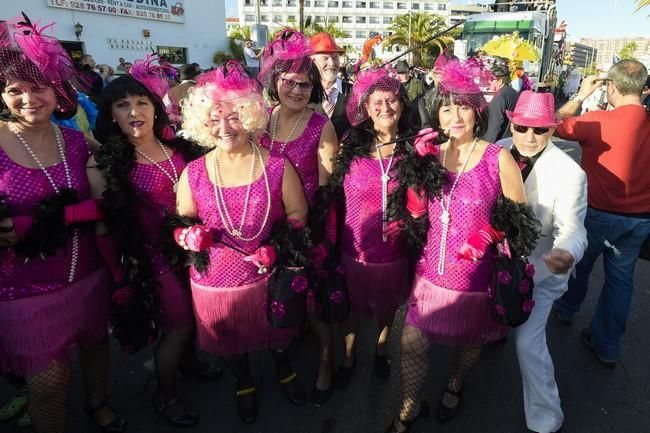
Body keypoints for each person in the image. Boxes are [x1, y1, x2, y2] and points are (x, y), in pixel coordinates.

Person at [385, 57, 536, 433]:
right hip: (431, 274)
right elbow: (417, 216)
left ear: (476, 113)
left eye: (462, 108)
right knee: (411, 344)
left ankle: (455, 383)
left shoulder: (497, 158)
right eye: (446, 109)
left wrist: (488, 234)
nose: (455, 116)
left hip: (476, 278)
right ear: (437, 116)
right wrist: (418, 171)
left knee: (469, 341)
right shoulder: (430, 154)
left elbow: (520, 222)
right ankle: (409, 406)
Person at [0, 16, 125, 433]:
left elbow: (112, 198)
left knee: (95, 349)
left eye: (38, 87)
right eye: (15, 90)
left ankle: (98, 405)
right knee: (50, 384)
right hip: (25, 289)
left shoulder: (76, 142)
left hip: (89, 275)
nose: (28, 98)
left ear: (57, 90)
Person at [174, 60, 309, 423]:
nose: (224, 127)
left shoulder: (277, 166)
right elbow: (182, 221)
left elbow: (297, 215)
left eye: (233, 117)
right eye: (214, 119)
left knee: (278, 336)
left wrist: (277, 248)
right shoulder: (194, 171)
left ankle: (285, 371)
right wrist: (187, 235)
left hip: (267, 276)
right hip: (215, 283)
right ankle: (244, 383)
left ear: (249, 116)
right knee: (231, 343)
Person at [89, 55, 213, 426]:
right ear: (111, 114)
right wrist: (119, 278)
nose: (134, 111)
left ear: (155, 108)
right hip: (152, 260)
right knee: (178, 327)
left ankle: (189, 364)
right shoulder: (108, 163)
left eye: (141, 102)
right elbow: (103, 226)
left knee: (196, 320)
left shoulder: (180, 149)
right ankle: (165, 394)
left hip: (192, 252)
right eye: (123, 104)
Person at [323, 66, 422, 396]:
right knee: (351, 309)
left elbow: (423, 204)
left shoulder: (412, 149)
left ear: (402, 106)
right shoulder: (350, 144)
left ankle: (381, 348)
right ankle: (349, 357)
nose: (385, 108)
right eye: (377, 103)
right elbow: (332, 195)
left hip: (394, 251)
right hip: (355, 248)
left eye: (392, 101)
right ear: (365, 109)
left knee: (387, 307)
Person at [497, 90, 588, 433]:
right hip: (495, 266)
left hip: (539, 274)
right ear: (512, 123)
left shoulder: (570, 174)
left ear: (553, 130)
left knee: (526, 344)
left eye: (540, 130)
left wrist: (566, 252)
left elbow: (574, 229)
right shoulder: (498, 150)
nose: (529, 137)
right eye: (522, 128)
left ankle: (546, 419)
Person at [258, 29, 338, 406]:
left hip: (307, 227)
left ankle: (325, 361)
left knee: (316, 299)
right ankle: (287, 341)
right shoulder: (260, 120)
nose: (297, 90)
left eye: (305, 85)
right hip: (265, 225)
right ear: (276, 82)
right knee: (278, 293)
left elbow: (326, 188)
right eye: (289, 82)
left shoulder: (322, 126)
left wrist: (316, 234)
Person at [553, 60, 650, 368]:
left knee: (578, 266)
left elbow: (555, 122)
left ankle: (566, 310)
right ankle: (607, 343)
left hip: (595, 213)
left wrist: (580, 95)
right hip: (638, 220)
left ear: (611, 86)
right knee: (621, 282)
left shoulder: (596, 121)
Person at [310, 32, 350, 140]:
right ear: (312, 61)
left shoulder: (354, 92)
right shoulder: (305, 93)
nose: (332, 63)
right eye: (325, 58)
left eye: (335, 57)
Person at [483, 57, 519, 143]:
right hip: (511, 139)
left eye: (491, 79)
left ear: (500, 81)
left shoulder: (499, 97)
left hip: (500, 142)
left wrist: (486, 145)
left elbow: (495, 126)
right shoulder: (512, 92)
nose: (489, 82)